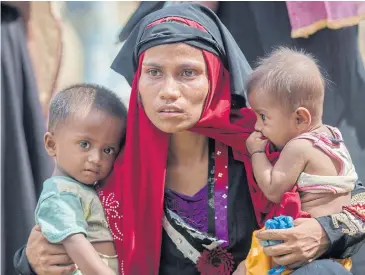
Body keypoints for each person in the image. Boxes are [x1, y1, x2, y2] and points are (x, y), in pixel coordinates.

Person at [13, 4, 365, 275]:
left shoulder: (264, 144)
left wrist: (323, 231)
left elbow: (353, 198)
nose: (168, 91)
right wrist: (30, 259)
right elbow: (54, 223)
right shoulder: (108, 157)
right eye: (153, 73)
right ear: (138, 81)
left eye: (187, 73)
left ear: (216, 78)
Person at [246, 47, 358, 216]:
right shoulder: (333, 135)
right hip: (339, 229)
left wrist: (257, 152)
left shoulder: (299, 147)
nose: (257, 126)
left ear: (300, 119)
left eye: (263, 117)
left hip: (312, 233)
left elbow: (272, 190)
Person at [34, 84, 127, 275]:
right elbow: (75, 242)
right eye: (85, 144)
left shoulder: (86, 188)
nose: (96, 159)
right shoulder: (59, 194)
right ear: (52, 144)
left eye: (108, 150)